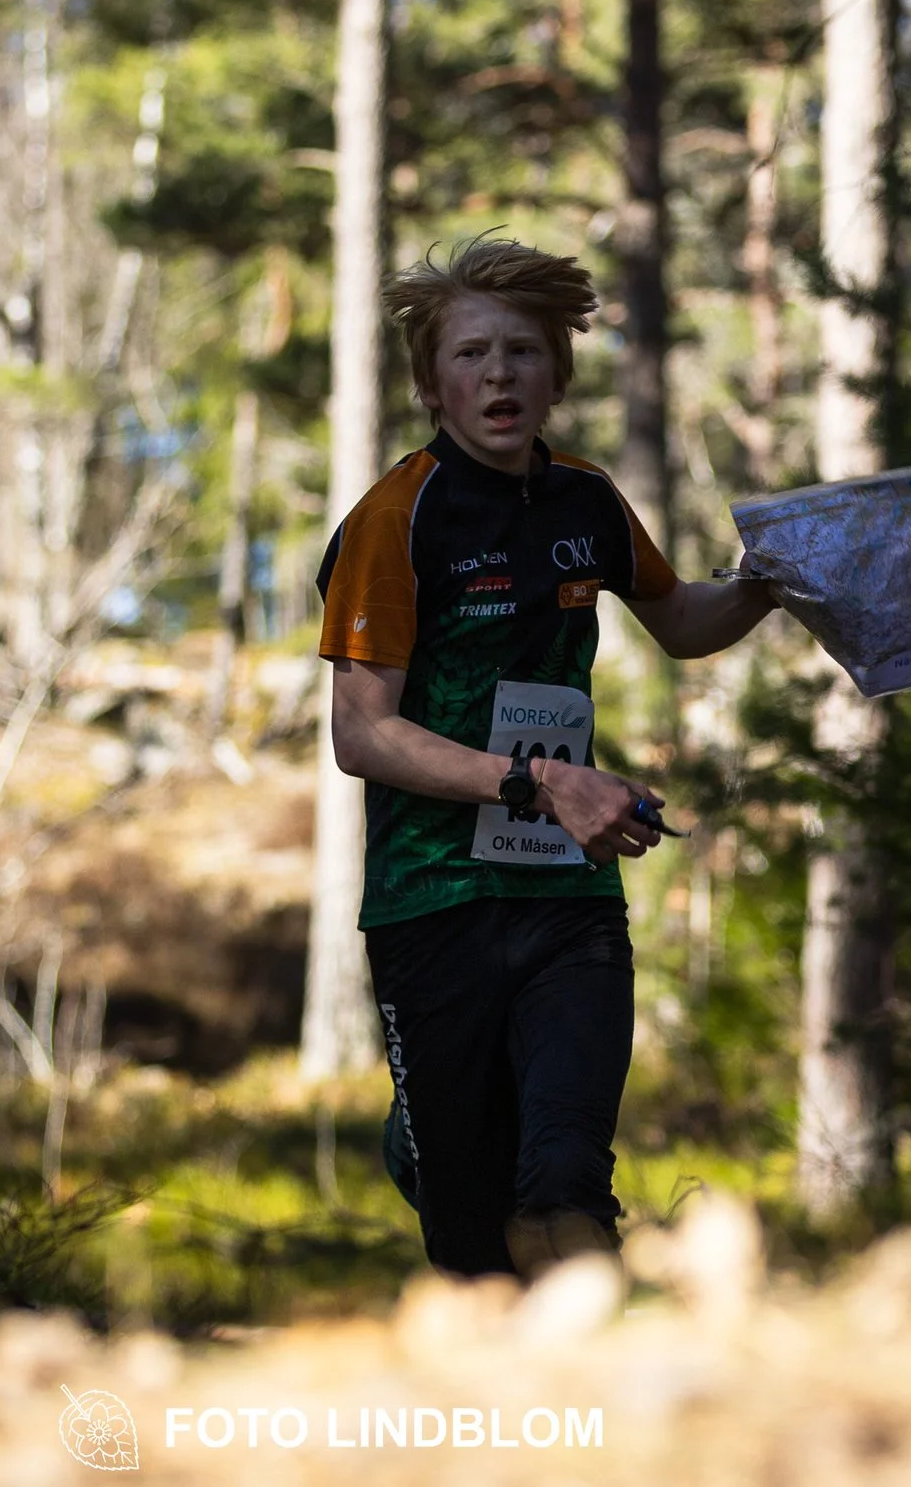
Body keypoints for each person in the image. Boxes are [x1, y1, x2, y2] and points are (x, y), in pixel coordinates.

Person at [318, 237, 778, 1279]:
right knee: (472, 1246)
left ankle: (593, 1359)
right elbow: (362, 732)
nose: (500, 375)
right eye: (472, 354)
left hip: (567, 893)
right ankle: (427, 1145)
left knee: (567, 1183)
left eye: (523, 352)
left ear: (557, 376)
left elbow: (681, 619)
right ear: (431, 385)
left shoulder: (586, 499)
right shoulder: (393, 521)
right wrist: (542, 780)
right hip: (432, 901)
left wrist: (769, 585)